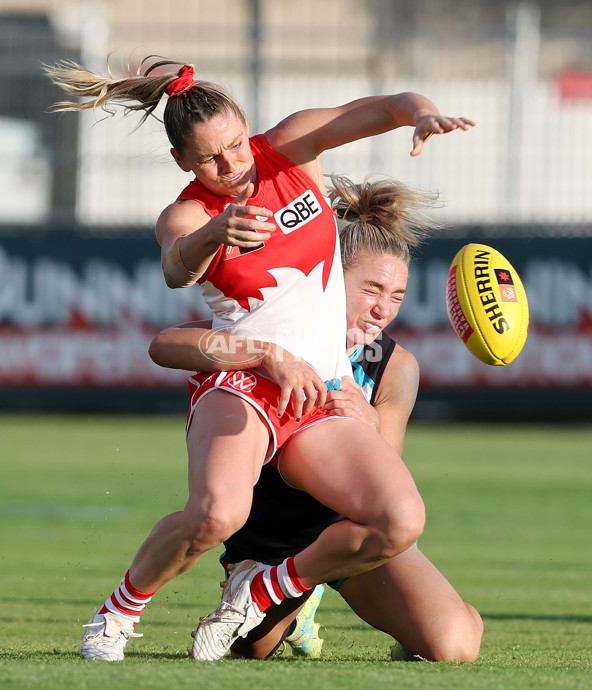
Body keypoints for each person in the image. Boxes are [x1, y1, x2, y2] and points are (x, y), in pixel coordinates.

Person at [45, 57, 475, 662]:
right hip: (243, 383)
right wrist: (215, 232)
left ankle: (265, 588)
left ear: (247, 128)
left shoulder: (291, 148)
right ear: (182, 163)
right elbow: (176, 268)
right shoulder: (189, 213)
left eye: (233, 147)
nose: (228, 166)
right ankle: (117, 615)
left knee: (399, 519)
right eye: (207, 159)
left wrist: (421, 113)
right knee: (216, 513)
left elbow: (379, 108)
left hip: (316, 389)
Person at [149, 173, 483, 662]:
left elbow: (386, 481)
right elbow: (165, 343)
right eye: (371, 288)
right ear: (327, 274)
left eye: (397, 295)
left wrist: (365, 421)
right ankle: (269, 593)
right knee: (251, 651)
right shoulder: (273, 327)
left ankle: (407, 607)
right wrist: (261, 354)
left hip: (344, 544)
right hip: (270, 543)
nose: (383, 309)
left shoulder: (396, 367)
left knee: (454, 646)